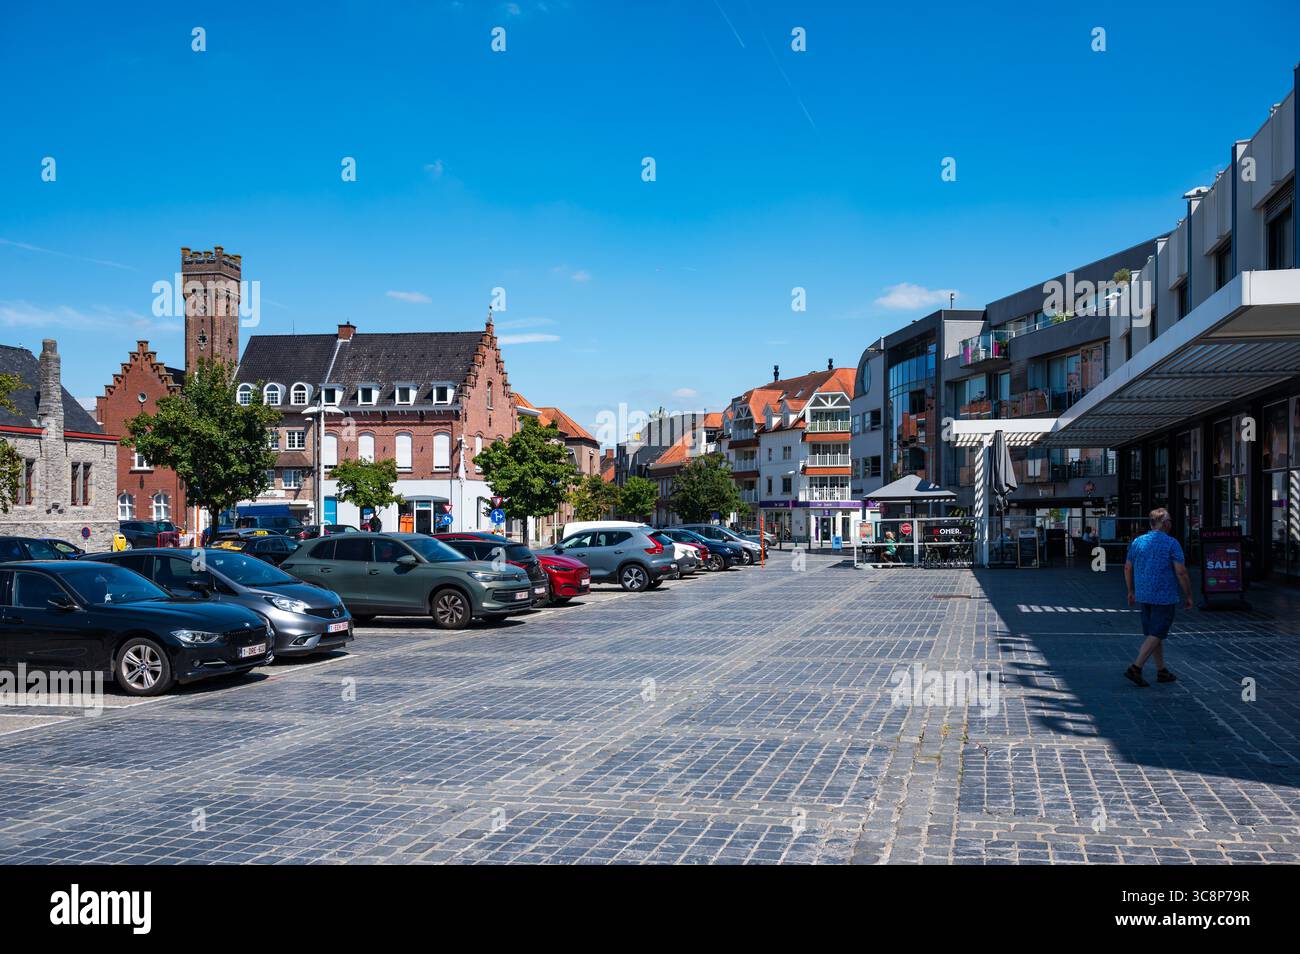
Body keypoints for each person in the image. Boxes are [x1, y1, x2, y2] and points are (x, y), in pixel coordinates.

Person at [1123, 507, 1193, 688]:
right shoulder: (1172, 543)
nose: (1171, 523)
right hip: (1164, 596)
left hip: (1144, 595)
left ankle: (1161, 670)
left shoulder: (1137, 542)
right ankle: (1136, 668)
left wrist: (1130, 590)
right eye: (1169, 520)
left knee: (1154, 633)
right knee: (1156, 633)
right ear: (1163, 523)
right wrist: (1188, 594)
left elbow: (1127, 568)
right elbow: (1181, 571)